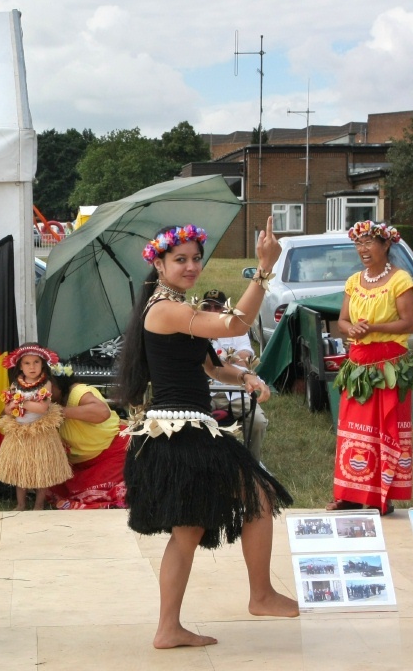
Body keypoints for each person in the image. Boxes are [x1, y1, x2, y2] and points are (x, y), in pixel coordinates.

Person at [115, 218, 298, 649]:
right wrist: (264, 270)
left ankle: (168, 628)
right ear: (158, 265)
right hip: (181, 429)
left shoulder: (177, 306)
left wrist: (245, 378)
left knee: (190, 530)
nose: (191, 266)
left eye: (196, 258)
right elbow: (235, 325)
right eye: (180, 260)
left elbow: (213, 366)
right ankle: (261, 595)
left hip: (183, 426)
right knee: (257, 495)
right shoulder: (164, 310)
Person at [327, 221, 413, 516]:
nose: (362, 250)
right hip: (358, 366)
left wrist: (374, 328)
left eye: (369, 243)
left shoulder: (400, 280)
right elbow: (342, 321)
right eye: (359, 244)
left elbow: (408, 323)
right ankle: (350, 495)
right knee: (355, 431)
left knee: (384, 428)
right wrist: (351, 328)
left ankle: (382, 496)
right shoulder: (354, 281)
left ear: (385, 246)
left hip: (388, 366)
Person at [0, 343, 72, 511]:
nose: (32, 366)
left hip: (40, 432)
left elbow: (42, 408)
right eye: (27, 363)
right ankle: (20, 504)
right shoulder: (16, 384)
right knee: (21, 470)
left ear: (42, 364)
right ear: (20, 366)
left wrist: (21, 402)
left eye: (36, 362)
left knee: (41, 471)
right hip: (20, 433)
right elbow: (8, 410)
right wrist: (14, 405)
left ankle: (38, 505)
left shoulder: (45, 384)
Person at [46, 363, 128, 509]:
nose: (42, 390)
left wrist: (57, 412)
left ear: (57, 382)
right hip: (80, 465)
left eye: (46, 384)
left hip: (111, 453)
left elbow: (101, 412)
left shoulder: (78, 392)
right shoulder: (41, 401)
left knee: (96, 496)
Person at [202, 288, 269, 462]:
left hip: (234, 390)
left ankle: (252, 465)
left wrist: (222, 357)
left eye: (216, 308)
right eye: (206, 307)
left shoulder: (235, 328)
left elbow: (246, 359)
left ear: (225, 309)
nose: (211, 311)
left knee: (258, 422)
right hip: (203, 391)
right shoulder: (195, 328)